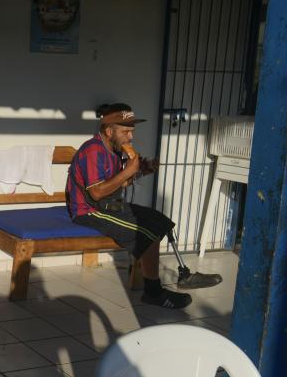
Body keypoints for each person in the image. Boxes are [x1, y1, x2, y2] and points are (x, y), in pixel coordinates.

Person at [66, 102, 222, 309]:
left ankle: (184, 274)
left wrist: (141, 171)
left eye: (132, 131)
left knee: (160, 221)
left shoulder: (114, 150)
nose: (130, 137)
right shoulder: (93, 151)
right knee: (146, 231)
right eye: (126, 131)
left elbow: (119, 183)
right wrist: (129, 171)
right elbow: (96, 193)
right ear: (109, 130)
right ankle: (153, 292)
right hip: (89, 211)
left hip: (110, 205)